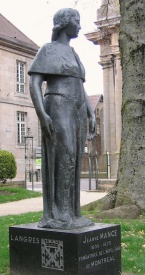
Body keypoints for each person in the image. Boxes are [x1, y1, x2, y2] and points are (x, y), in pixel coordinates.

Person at [28, 8, 96, 229]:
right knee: (64, 154)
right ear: (64, 23)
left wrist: (91, 111)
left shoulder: (74, 53)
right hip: (58, 104)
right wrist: (41, 112)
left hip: (76, 109)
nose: (79, 25)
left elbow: (80, 85)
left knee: (74, 158)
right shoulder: (47, 50)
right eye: (76, 21)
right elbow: (34, 83)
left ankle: (73, 213)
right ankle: (58, 215)